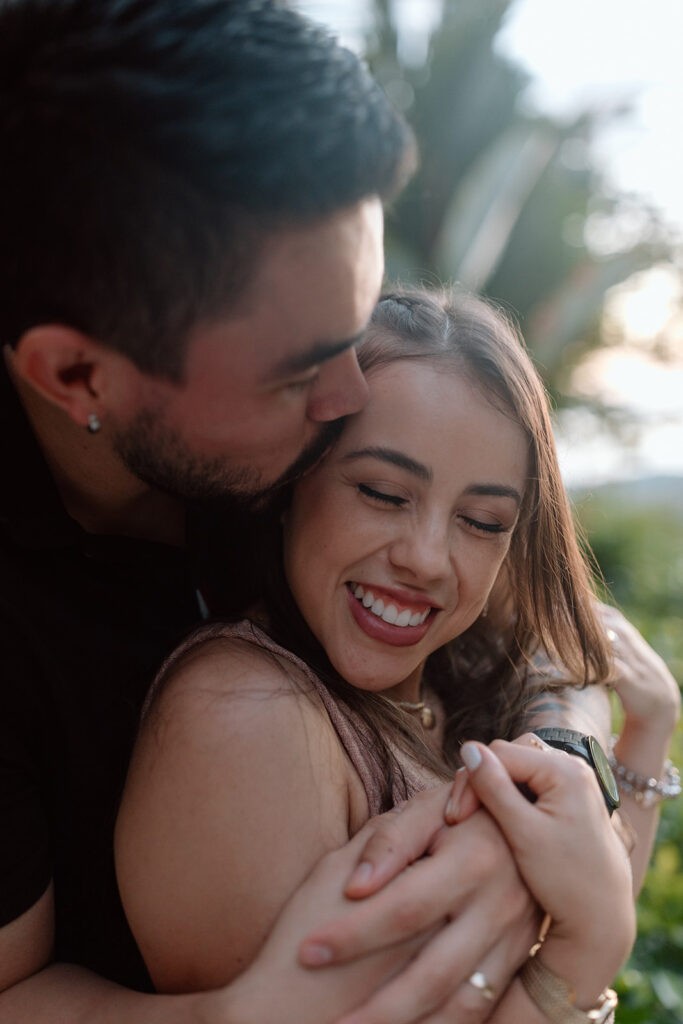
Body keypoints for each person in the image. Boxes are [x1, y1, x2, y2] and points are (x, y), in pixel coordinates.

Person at [1, 0, 677, 1020]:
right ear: (77, 374)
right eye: (301, 370)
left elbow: (540, 641)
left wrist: (554, 775)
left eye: (352, 331)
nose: (352, 395)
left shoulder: (289, 445)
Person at [115, 289, 678, 1023]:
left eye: (480, 521)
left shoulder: (457, 677)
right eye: (382, 493)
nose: (426, 559)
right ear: (291, 484)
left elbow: (583, 881)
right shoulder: (247, 719)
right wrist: (580, 963)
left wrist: (646, 730)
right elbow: (576, 934)